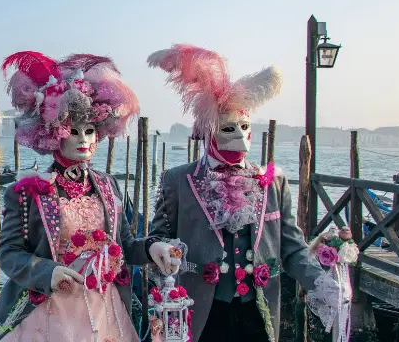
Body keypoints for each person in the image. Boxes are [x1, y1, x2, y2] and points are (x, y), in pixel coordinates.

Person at [145, 44, 348, 342]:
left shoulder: (274, 181)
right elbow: (157, 239)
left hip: (259, 313)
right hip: (200, 312)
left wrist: (320, 282)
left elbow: (291, 247)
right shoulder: (178, 180)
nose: (240, 136)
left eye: (245, 126)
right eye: (229, 128)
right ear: (210, 130)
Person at [0, 52, 149, 342]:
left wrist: (152, 249)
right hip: (47, 315)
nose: (84, 139)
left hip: (104, 313)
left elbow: (124, 246)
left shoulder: (107, 185)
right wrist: (48, 272)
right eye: (74, 131)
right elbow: (7, 253)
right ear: (54, 133)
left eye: (90, 131)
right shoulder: (26, 192)